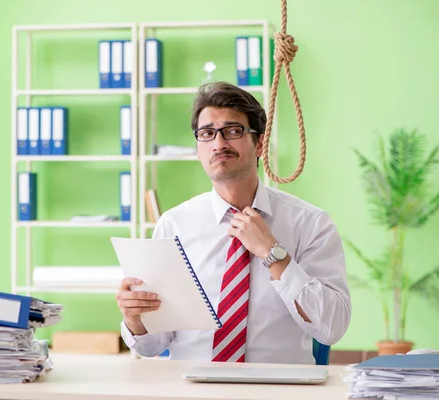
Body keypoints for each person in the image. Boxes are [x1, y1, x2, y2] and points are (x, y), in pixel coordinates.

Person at [116, 82, 351, 364]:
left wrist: (274, 254)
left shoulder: (311, 224)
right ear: (197, 148)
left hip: (276, 390)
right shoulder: (174, 225)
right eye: (207, 133)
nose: (219, 144)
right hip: (192, 390)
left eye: (233, 131)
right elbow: (153, 345)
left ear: (260, 143)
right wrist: (135, 321)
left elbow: (332, 328)